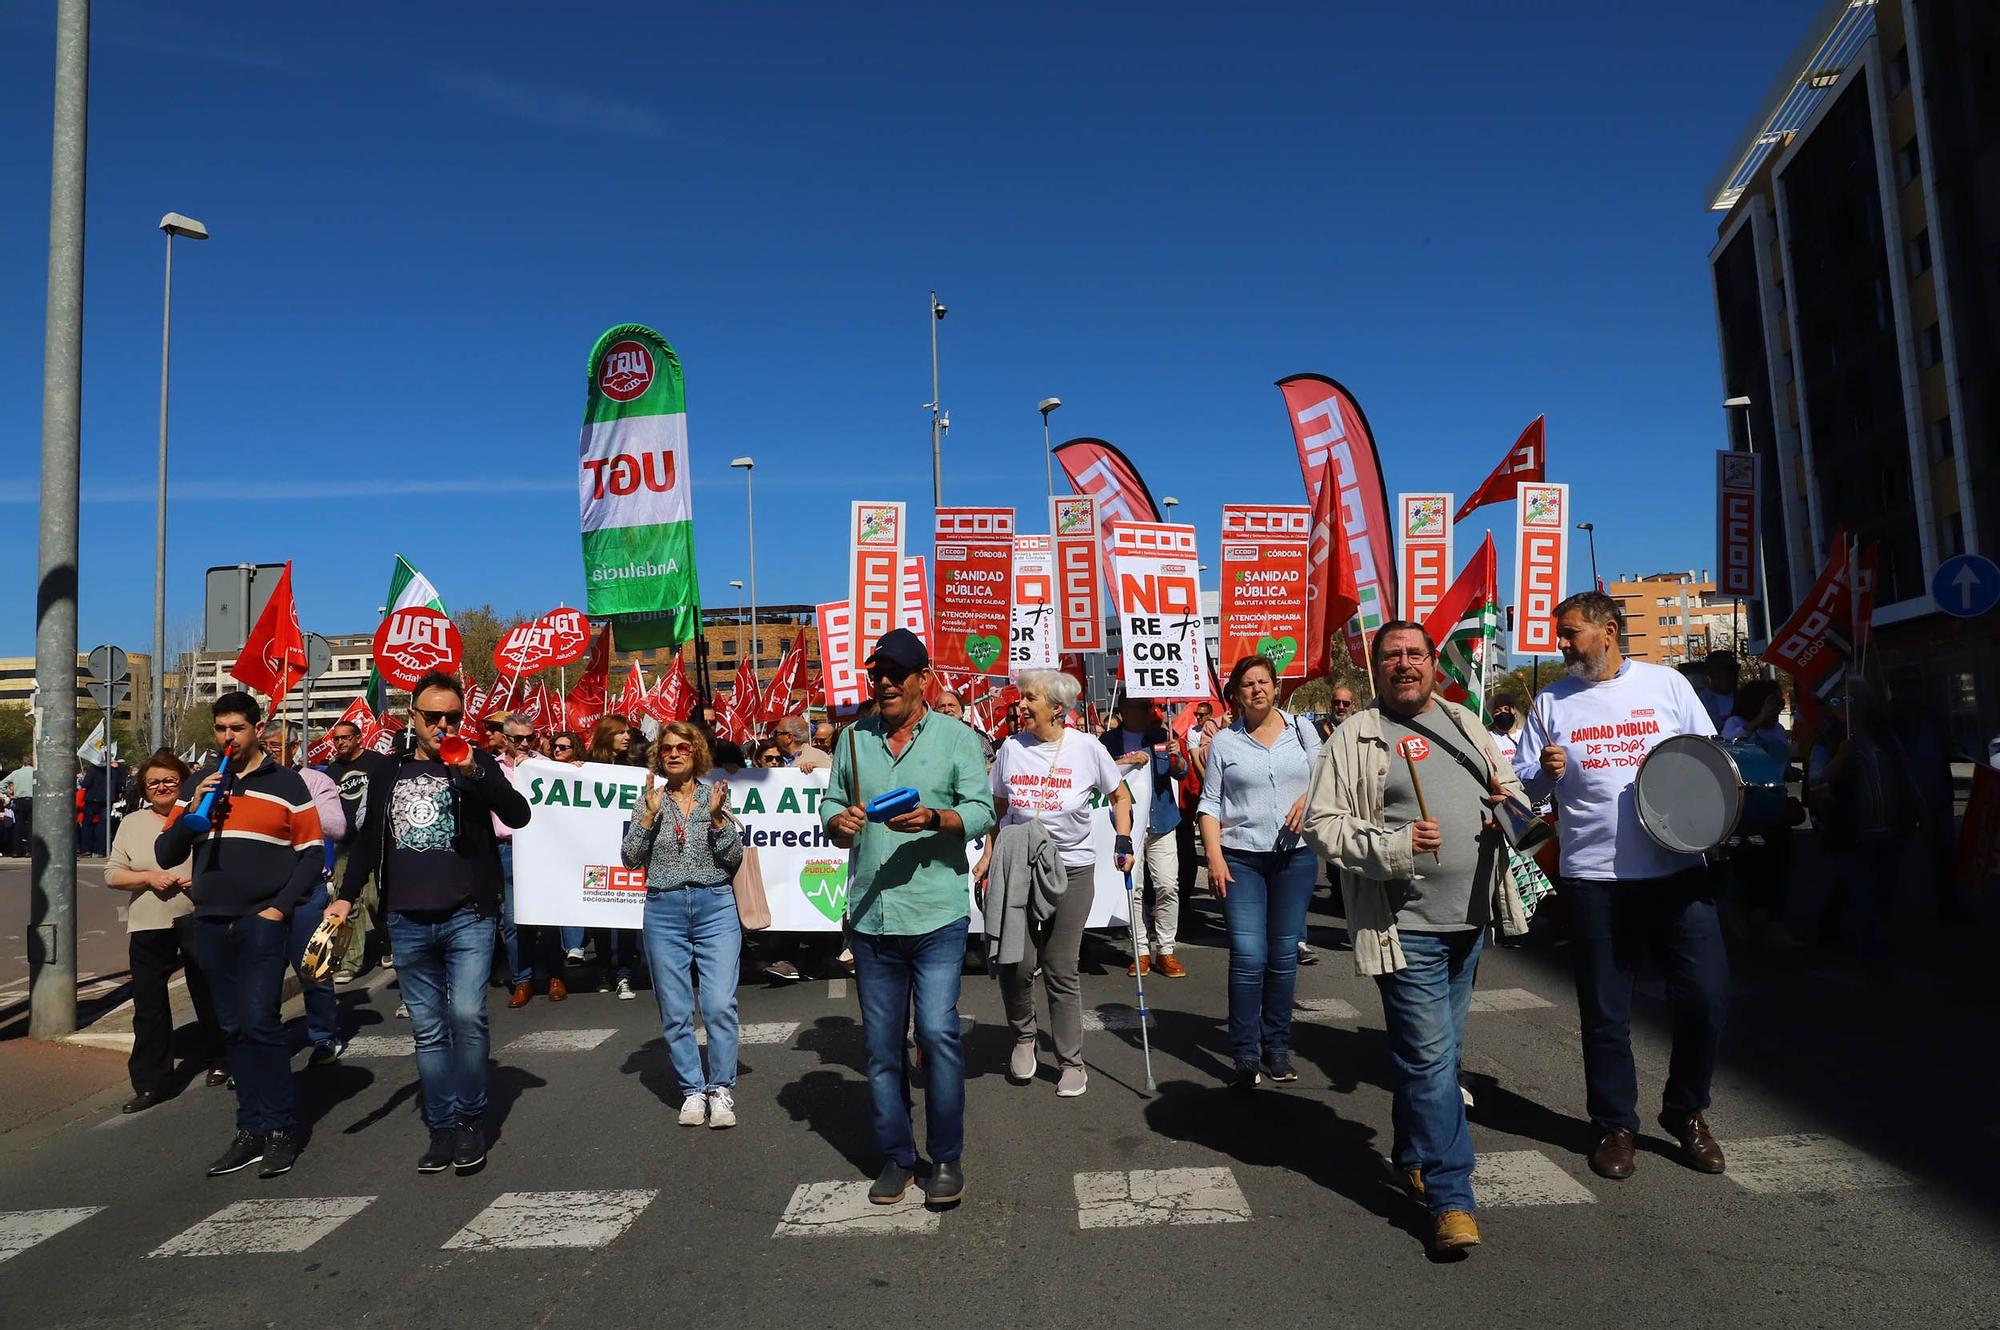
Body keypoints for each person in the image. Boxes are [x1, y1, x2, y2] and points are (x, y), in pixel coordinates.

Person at [1304, 622, 1529, 1255]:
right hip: (1406, 929)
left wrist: (1512, 801)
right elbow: (1323, 825)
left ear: (1434, 663)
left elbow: (1508, 788)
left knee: (1433, 1057)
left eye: (1415, 654)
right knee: (1431, 1061)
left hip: (1470, 921)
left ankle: (1411, 1151)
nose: (1405, 665)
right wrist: (1395, 845)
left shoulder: (1462, 721)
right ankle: (1452, 1197)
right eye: (1392, 656)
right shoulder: (1357, 736)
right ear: (1376, 668)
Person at [1514, 591, 1728, 1181]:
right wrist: (1542, 774)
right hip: (1593, 880)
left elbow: (1708, 763)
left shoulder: (1667, 687)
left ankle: (1685, 1111)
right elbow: (1523, 792)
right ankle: (1615, 1125)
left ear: (1608, 630)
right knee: (1606, 1013)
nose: (1560, 644)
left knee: (1705, 998)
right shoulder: (1551, 702)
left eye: (1569, 633)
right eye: (1559, 634)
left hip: (1677, 874)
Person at [326, 671, 529, 1175]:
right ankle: (441, 1127)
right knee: (428, 1029)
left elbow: (519, 814)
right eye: (432, 716)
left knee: (466, 1015)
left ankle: (470, 1121)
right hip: (408, 919)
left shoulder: (476, 761)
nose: (443, 725)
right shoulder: (387, 769)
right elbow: (369, 838)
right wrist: (346, 899)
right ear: (411, 716)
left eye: (452, 717)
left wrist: (475, 775)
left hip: (468, 916)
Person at [821, 629, 995, 1207]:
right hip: (872, 916)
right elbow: (830, 802)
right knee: (881, 1046)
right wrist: (836, 822)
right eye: (878, 672)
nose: (885, 681)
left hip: (936, 910)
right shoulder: (851, 740)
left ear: (924, 679)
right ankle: (897, 1157)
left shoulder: (956, 738)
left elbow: (980, 809)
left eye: (898, 673)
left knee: (940, 1034)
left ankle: (945, 1158)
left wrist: (935, 820)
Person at [156, 691, 326, 1179]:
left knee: (260, 1024)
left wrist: (277, 909)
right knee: (231, 1029)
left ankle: (279, 1129)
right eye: (220, 729)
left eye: (237, 728)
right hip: (210, 920)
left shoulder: (288, 783)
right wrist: (193, 806)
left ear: (258, 729)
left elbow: (312, 853)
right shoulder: (201, 784)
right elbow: (167, 854)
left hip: (258, 922)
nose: (227, 737)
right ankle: (248, 1128)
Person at [975, 670, 1133, 1097]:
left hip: (1072, 870)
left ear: (1057, 708)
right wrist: (989, 856)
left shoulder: (1087, 748)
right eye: (1021, 698)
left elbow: (1120, 796)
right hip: (1018, 869)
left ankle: (1071, 1063)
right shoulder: (1010, 748)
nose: (1020, 705)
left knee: (1061, 967)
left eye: (1030, 699)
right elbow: (997, 807)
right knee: (1017, 963)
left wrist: (1123, 837)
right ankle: (1024, 1037)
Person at [1199, 655, 1323, 1089]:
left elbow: (1328, 777)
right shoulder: (1225, 744)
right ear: (1237, 694)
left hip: (1296, 858)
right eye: (1248, 684)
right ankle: (1246, 1052)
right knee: (1250, 957)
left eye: (1264, 682)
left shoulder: (1303, 730)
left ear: (1276, 687)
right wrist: (1214, 856)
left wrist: (1308, 800)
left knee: (1284, 956)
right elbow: (1209, 804)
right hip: (1241, 859)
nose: (1257, 689)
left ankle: (1277, 1047)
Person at [624, 720, 745, 1128]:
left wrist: (716, 822)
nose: (674, 753)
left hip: (715, 905)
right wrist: (647, 819)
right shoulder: (648, 800)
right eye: (667, 748)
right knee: (675, 1010)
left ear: (697, 754)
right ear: (659, 756)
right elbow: (629, 858)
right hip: (664, 908)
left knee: (718, 1005)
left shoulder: (717, 796)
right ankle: (692, 1090)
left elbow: (733, 859)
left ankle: (721, 1089)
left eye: (683, 747)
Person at [104, 750, 225, 1112]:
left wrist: (199, 881)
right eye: (153, 782)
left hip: (195, 915)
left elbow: (224, 864)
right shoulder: (132, 823)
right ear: (143, 788)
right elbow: (112, 873)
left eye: (170, 780)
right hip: (148, 923)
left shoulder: (200, 815)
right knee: (149, 1006)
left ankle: (221, 1059)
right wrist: (148, 877)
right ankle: (151, 1083)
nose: (161, 787)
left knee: (209, 992)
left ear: (183, 781)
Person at [1808, 683, 1921, 958]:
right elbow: (1815, 782)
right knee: (1864, 896)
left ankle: (1848, 933)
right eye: (1839, 701)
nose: (1845, 706)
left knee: (1882, 893)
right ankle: (1873, 956)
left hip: (1888, 831)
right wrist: (1841, 758)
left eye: (1851, 699)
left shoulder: (1884, 737)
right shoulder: (1829, 741)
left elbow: (1905, 774)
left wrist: (1920, 810)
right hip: (1851, 833)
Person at [261, 726, 348, 1064]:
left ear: (294, 746)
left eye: (276, 745)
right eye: (264, 744)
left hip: (306, 892)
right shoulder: (250, 782)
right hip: (261, 894)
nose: (269, 751)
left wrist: (290, 811)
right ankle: (261, 1045)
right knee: (260, 976)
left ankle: (324, 1036)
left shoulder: (315, 781)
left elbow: (336, 826)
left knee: (312, 968)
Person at [1100, 694, 1187, 977]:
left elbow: (1181, 773)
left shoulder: (1162, 735)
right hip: (1126, 827)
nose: (1146, 712)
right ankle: (1140, 950)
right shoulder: (1107, 742)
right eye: (1140, 707)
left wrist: (1176, 758)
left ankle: (1166, 949)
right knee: (1133, 889)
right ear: (1124, 710)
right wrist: (1124, 760)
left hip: (1161, 821)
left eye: (1148, 707)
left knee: (1167, 885)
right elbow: (1098, 777)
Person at [493, 713, 572, 1006]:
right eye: (518, 739)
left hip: (543, 848)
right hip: (508, 848)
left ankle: (555, 976)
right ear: (505, 739)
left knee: (547, 916)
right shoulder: (494, 769)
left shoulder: (548, 766)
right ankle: (522, 979)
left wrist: (575, 769)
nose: (525, 743)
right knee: (513, 920)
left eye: (531, 737)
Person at [324, 718, 393, 982]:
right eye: (336, 739)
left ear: (358, 738)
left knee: (377, 899)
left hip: (376, 840)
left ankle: (390, 943)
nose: (340, 743)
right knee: (345, 899)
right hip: (346, 844)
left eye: (345, 737)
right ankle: (350, 961)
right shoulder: (331, 772)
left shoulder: (377, 764)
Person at [587, 715, 644, 998]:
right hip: (595, 851)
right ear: (606, 735)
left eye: (628, 733)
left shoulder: (631, 769)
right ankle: (602, 970)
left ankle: (624, 974)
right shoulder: (585, 766)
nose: (626, 737)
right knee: (597, 915)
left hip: (624, 852)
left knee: (625, 913)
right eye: (620, 732)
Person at [1697, 651, 1739, 729]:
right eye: (1722, 670)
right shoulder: (1699, 702)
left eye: (1733, 669)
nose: (1729, 675)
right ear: (1710, 672)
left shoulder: (1744, 697)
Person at [1486, 695, 1524, 765]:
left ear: (1515, 713)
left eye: (1506, 709)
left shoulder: (1525, 735)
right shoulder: (1489, 737)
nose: (1503, 713)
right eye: (1497, 711)